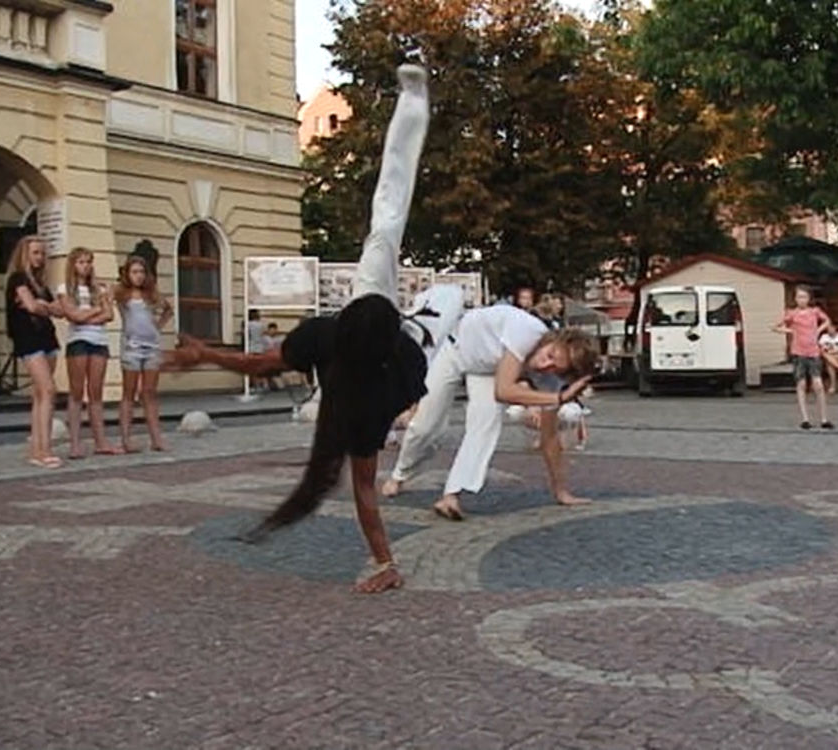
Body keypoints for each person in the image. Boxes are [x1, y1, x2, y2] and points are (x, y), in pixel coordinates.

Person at [166, 63, 436, 594]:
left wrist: (206, 355)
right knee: (387, 212)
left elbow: (256, 363)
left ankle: (414, 101)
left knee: (388, 213)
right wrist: (386, 564)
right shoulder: (374, 363)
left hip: (391, 339)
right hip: (390, 340)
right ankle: (414, 102)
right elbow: (363, 489)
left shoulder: (347, 345)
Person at [380, 305, 600, 521]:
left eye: (555, 368)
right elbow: (503, 391)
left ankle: (451, 496)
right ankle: (400, 474)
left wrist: (561, 491)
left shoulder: (550, 379)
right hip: (456, 349)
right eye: (550, 354)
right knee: (425, 426)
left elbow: (549, 438)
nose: (545, 365)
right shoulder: (526, 332)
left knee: (485, 426)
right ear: (551, 339)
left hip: (488, 368)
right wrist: (559, 398)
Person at [57, 248, 121, 459]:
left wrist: (88, 314)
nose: (85, 266)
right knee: (76, 393)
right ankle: (75, 443)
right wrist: (95, 310)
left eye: (88, 262)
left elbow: (109, 315)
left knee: (96, 394)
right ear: (73, 265)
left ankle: (100, 442)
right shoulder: (65, 288)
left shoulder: (99, 288)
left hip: (99, 341)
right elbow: (73, 315)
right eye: (81, 262)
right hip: (78, 342)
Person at [5, 235, 63, 469]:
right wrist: (44, 307)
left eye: (42, 253)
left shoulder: (41, 284)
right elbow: (30, 306)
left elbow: (58, 310)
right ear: (25, 254)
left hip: (47, 337)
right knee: (48, 390)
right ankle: (44, 449)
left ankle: (37, 448)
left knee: (41, 394)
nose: (40, 257)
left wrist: (44, 306)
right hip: (28, 339)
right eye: (36, 253)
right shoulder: (18, 279)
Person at [115, 255, 172, 453]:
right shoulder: (122, 293)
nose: (138, 276)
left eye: (141, 272)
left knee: (149, 393)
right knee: (129, 393)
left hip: (152, 347)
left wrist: (158, 326)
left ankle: (156, 439)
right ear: (127, 274)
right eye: (134, 272)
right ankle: (125, 439)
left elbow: (168, 309)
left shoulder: (151, 294)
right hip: (131, 347)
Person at [773, 286, 832, 429]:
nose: (802, 300)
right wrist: (790, 331)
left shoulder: (814, 312)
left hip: (813, 352)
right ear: (795, 299)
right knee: (801, 384)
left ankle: (824, 418)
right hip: (799, 352)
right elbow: (776, 327)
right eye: (799, 297)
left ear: (809, 298)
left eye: (804, 297)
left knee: (818, 384)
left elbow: (827, 321)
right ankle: (805, 418)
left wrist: (818, 330)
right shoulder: (792, 314)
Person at [818, 322, 838, 395]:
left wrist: (831, 353)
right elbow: (821, 349)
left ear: (835, 328)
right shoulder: (824, 337)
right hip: (827, 356)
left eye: (831, 328)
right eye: (828, 328)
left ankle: (833, 386)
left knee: (829, 361)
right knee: (828, 362)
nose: (830, 330)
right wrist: (828, 353)